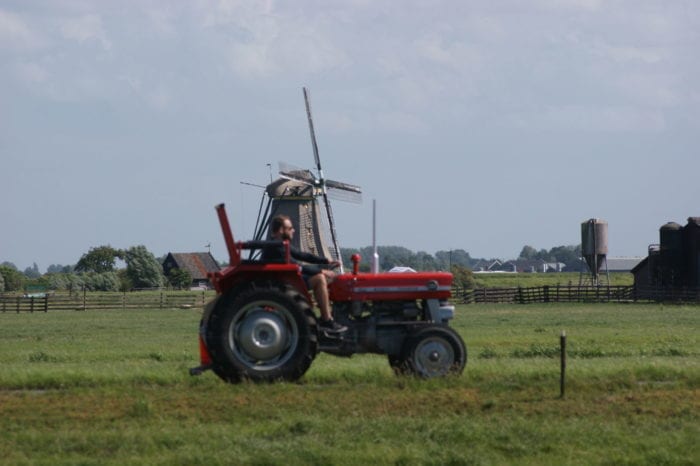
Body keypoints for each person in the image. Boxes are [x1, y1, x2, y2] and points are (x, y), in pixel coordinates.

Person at [262, 215, 347, 333]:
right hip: (282, 283)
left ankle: (327, 317)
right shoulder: (277, 246)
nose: (293, 230)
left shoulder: (281, 244)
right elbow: (296, 265)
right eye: (290, 228)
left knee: (319, 277)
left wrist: (326, 261)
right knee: (319, 278)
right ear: (281, 230)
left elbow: (301, 255)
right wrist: (322, 270)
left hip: (287, 280)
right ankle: (327, 320)